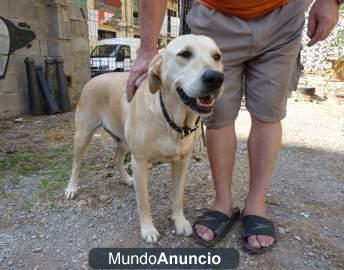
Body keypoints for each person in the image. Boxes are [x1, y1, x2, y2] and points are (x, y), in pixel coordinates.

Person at [126, 0, 340, 253]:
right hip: (216, 15)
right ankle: (222, 203)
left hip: (285, 14)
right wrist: (147, 48)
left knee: (268, 113)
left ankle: (256, 205)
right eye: (185, 56)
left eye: (216, 60)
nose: (214, 73)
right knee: (219, 116)